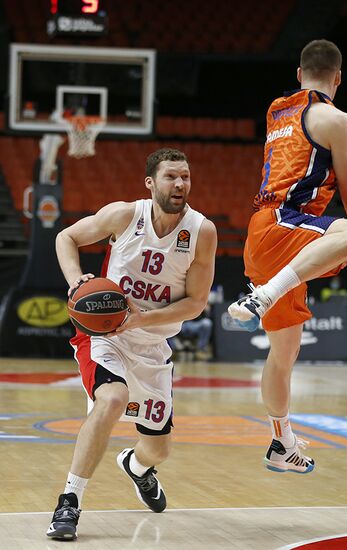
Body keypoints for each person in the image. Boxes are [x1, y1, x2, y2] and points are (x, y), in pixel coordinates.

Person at [228, 39, 347, 474]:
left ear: (299, 75)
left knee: (284, 354)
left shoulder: (277, 110)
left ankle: (282, 442)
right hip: (284, 227)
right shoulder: (336, 119)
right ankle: (264, 294)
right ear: (338, 78)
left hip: (263, 234)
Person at [47, 148, 217, 541]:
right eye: (172, 177)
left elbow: (195, 303)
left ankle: (137, 467)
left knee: (158, 449)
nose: (180, 184)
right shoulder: (125, 215)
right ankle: (69, 501)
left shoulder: (201, 231)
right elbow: (66, 237)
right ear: (151, 183)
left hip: (153, 346)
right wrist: (75, 281)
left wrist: (142, 318)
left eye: (186, 177)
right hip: (105, 337)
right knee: (111, 399)